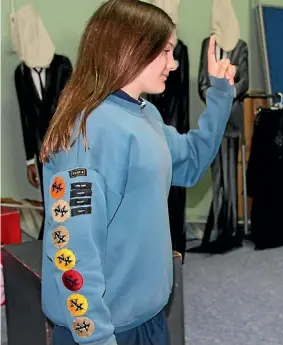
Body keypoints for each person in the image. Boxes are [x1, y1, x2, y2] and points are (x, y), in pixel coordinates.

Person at [38, 1, 236, 345]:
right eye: (166, 51)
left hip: (147, 316)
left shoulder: (146, 115)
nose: (173, 64)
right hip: (106, 330)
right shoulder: (87, 132)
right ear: (130, 48)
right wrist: (97, 337)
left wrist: (219, 97)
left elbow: (189, 163)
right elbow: (74, 253)